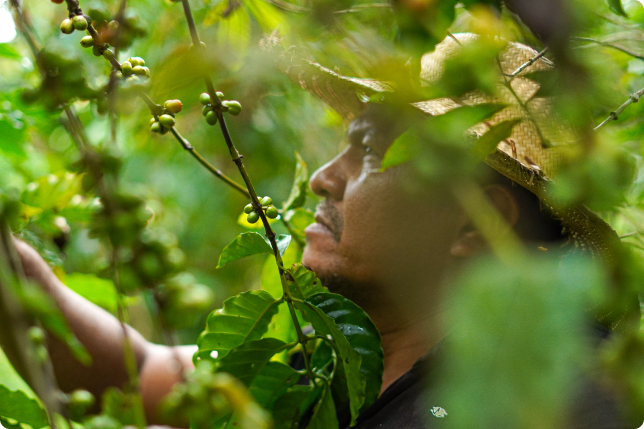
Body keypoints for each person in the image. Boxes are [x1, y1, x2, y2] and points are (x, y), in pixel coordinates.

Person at [5, 33, 638, 429]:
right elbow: (141, 375)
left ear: (475, 224)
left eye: (367, 155)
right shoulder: (332, 364)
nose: (323, 181)